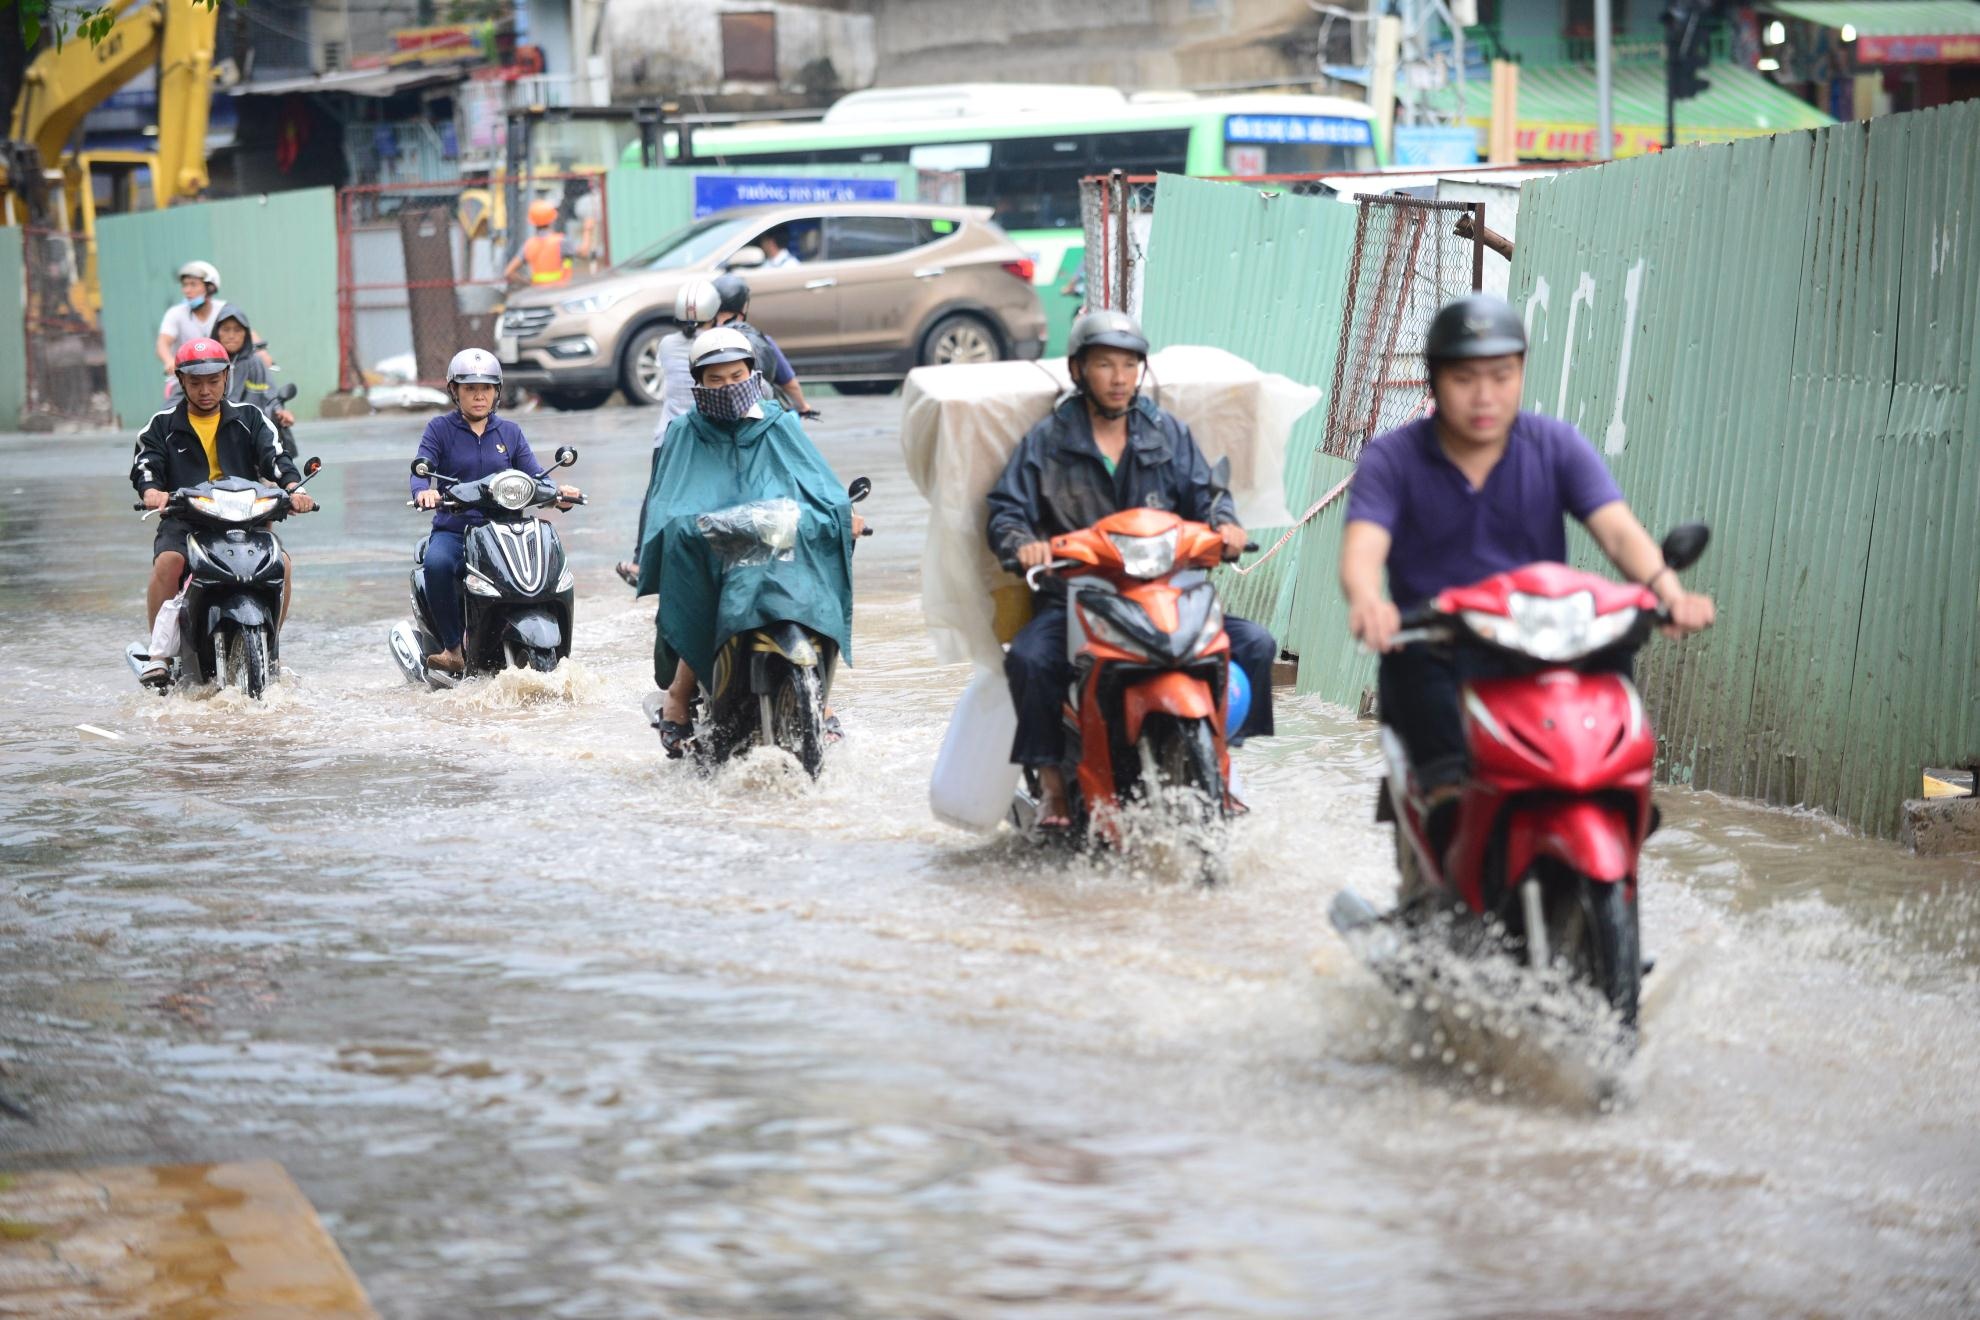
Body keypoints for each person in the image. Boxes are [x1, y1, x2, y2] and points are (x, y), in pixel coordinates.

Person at [1339, 292, 1715, 827]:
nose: (1484, 396)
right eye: (1464, 378)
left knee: (1614, 643)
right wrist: (1366, 600)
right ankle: (1446, 816)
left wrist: (1669, 592)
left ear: (1521, 373)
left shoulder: (1555, 445)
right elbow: (1363, 546)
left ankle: (1615, 794)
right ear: (1435, 380)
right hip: (1441, 645)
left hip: (1542, 642)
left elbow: (1617, 532)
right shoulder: (1392, 458)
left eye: (1501, 375)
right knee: (1417, 687)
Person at [987, 310, 1277, 829]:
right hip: (1078, 598)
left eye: (1129, 365)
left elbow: (1208, 497)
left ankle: (1220, 767)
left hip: (1165, 593)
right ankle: (1053, 787)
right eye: (1105, 365)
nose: (1119, 378)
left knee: (1254, 643)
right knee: (1029, 660)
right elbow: (1008, 509)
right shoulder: (1047, 442)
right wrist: (1022, 543)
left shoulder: (1166, 433)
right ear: (1078, 371)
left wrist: (1225, 527)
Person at [635, 328, 863, 757]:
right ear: (697, 383)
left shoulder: (780, 424)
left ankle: (823, 700)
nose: (728, 387)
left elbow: (819, 486)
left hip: (778, 547)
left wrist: (843, 514)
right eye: (715, 380)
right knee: (699, 607)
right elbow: (668, 502)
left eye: (736, 376)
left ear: (753, 375)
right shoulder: (685, 433)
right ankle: (677, 702)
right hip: (716, 552)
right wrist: (688, 528)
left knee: (812, 590)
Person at [130, 338, 314, 685]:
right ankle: (159, 655)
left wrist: (294, 487)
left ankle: (271, 644)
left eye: (213, 381)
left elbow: (276, 458)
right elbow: (146, 465)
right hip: (186, 520)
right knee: (169, 562)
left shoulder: (249, 418)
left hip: (245, 520)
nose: (205, 390)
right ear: (181, 380)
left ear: (227, 377)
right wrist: (152, 491)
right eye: (196, 382)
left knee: (283, 564)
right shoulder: (162, 425)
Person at [409, 349, 583, 676]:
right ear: (454, 391)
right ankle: (452, 649)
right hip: (455, 530)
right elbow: (421, 469)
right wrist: (424, 492)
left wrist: (558, 493)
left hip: (504, 530)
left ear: (497, 393)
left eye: (486, 388)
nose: (479, 395)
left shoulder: (510, 433)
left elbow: (534, 476)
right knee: (437, 564)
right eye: (470, 388)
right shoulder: (439, 430)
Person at [617, 277, 723, 589]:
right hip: (705, 435)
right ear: (714, 313)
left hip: (667, 435)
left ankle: (640, 560)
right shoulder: (717, 343)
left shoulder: (665, 344)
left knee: (656, 497)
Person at [711, 273, 814, 417]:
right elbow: (790, 384)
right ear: (744, 305)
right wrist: (803, 407)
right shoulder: (762, 340)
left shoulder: (702, 340)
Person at [210, 303, 295, 430]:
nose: (232, 335)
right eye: (226, 329)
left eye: (237, 330)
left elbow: (271, 398)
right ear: (217, 333)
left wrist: (280, 412)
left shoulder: (256, 363)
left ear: (246, 334)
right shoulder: (206, 362)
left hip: (251, 431)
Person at [155, 260, 223, 381]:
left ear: (210, 287)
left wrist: (261, 351)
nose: (186, 290)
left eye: (193, 284)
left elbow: (246, 334)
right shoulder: (175, 313)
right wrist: (169, 361)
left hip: (218, 378)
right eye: (185, 285)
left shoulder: (223, 311)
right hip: (183, 380)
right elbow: (163, 343)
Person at [505, 200, 571, 287]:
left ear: (532, 222)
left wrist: (528, 284)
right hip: (559, 292)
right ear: (552, 220)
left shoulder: (528, 245)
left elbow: (508, 272)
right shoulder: (561, 241)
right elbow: (584, 253)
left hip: (538, 294)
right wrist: (587, 232)